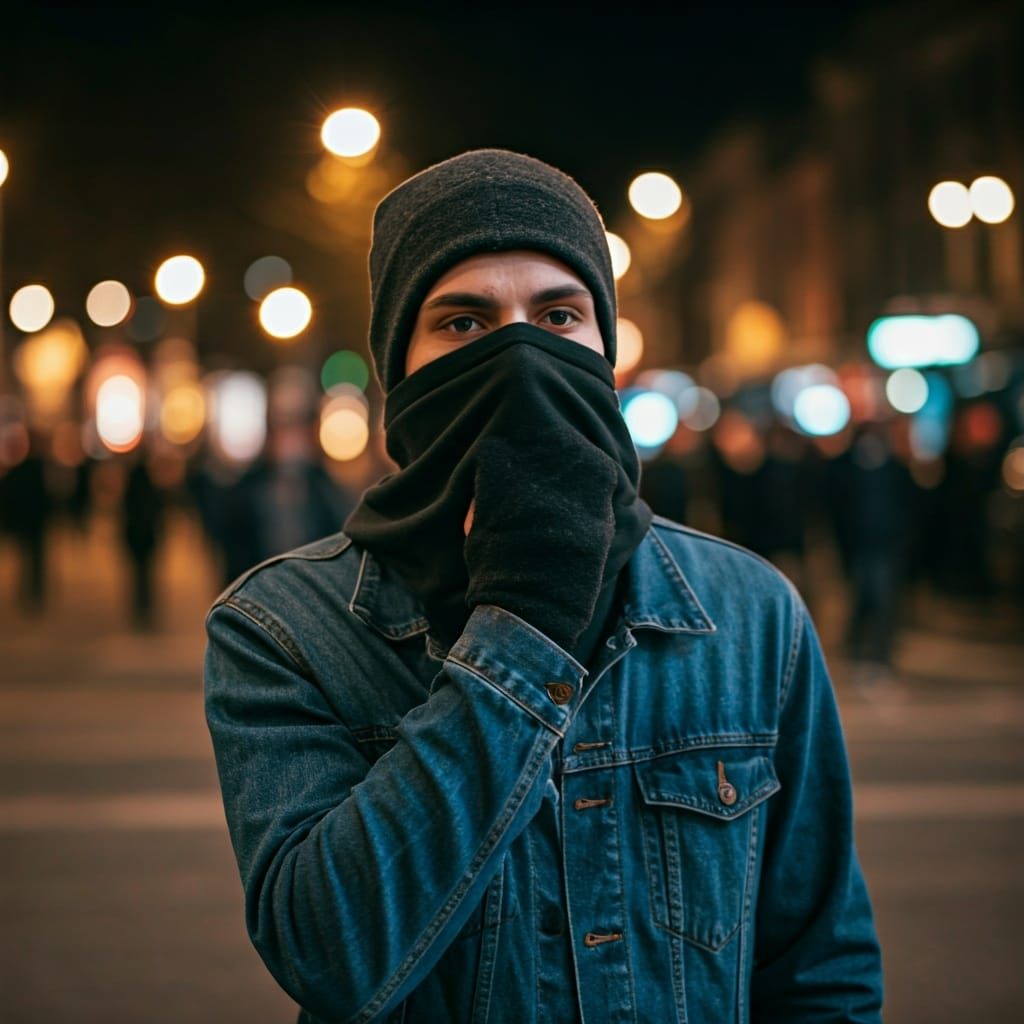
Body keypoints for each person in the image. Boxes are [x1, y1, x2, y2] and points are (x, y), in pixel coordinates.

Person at [204, 148, 883, 1024]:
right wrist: (520, 626)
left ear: (604, 347)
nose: (521, 352)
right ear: (398, 368)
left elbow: (820, 969)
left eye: (559, 315)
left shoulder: (751, 612)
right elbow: (329, 955)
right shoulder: (282, 627)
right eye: (463, 323)